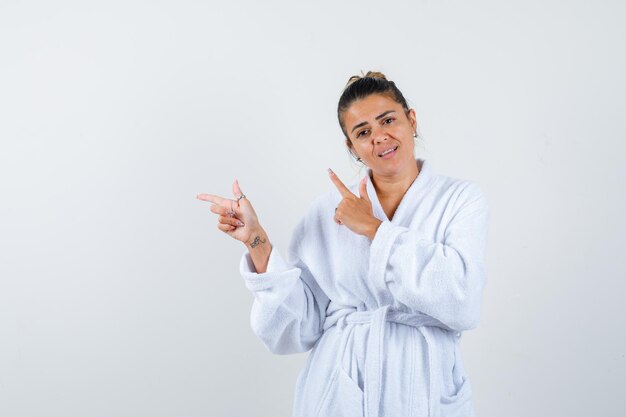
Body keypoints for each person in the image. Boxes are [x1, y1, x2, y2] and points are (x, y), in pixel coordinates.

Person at [196, 71, 489, 417]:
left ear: (411, 120)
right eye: (363, 132)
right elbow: (295, 330)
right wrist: (257, 241)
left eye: (388, 120)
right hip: (340, 387)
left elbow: (462, 300)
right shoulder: (326, 212)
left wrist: (373, 229)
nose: (379, 138)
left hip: (424, 386)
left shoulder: (459, 199)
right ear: (352, 146)